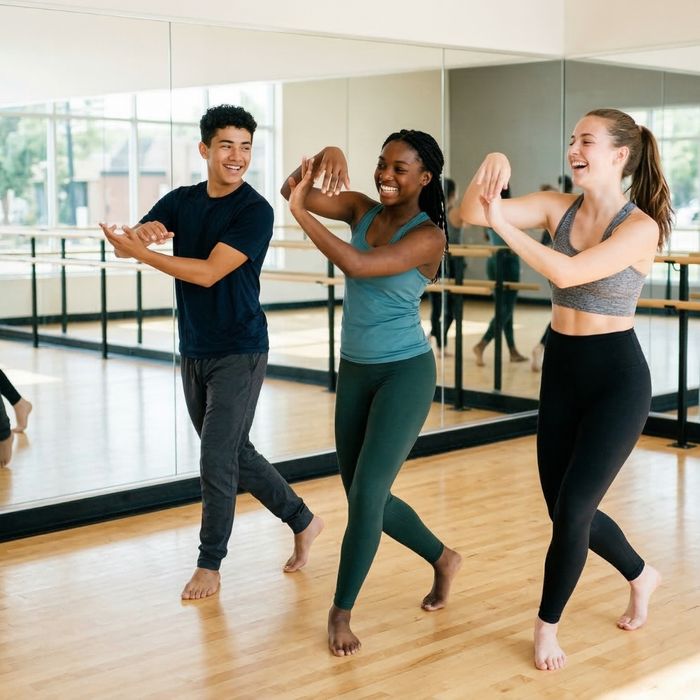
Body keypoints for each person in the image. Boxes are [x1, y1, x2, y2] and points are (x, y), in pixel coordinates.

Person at [460, 108, 669, 671]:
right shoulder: (558, 206)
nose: (574, 147)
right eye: (572, 139)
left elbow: (567, 274)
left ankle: (546, 627)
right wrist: (491, 167)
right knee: (564, 510)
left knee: (576, 507)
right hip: (563, 372)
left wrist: (502, 223)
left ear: (619, 155)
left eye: (587, 140)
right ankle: (642, 575)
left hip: (617, 381)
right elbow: (467, 213)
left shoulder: (639, 227)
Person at [100, 104, 323, 601]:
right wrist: (131, 237)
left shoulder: (254, 210)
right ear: (204, 149)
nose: (237, 156)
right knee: (233, 451)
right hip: (195, 348)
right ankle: (302, 520)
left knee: (215, 456)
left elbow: (206, 272)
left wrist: (144, 252)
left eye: (245, 147)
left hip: (240, 349)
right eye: (226, 145)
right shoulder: (181, 201)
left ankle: (210, 563)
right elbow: (130, 245)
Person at [281, 129, 462, 657]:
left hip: (404, 373)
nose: (385, 174)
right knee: (367, 496)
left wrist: (302, 216)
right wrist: (326, 155)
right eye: (381, 164)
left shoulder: (430, 236)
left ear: (425, 178)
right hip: (355, 370)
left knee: (365, 497)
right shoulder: (361, 208)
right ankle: (443, 557)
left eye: (399, 168)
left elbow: (357, 265)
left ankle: (340, 612)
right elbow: (293, 187)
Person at [472, 186, 528, 366]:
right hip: (508, 261)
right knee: (506, 309)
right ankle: (482, 343)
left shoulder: (487, 210)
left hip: (493, 262)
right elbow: (516, 239)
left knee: (504, 308)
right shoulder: (508, 209)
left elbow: (489, 237)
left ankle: (512, 350)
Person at [532, 175, 573, 372]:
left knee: (566, 311)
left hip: (563, 266)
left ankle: (542, 347)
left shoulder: (570, 206)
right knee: (565, 310)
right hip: (558, 267)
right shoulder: (560, 207)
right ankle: (542, 347)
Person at [429, 177, 464, 351]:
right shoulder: (454, 213)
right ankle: (439, 340)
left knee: (437, 306)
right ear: (452, 194)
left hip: (436, 262)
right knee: (451, 308)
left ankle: (436, 336)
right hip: (451, 264)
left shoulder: (433, 213)